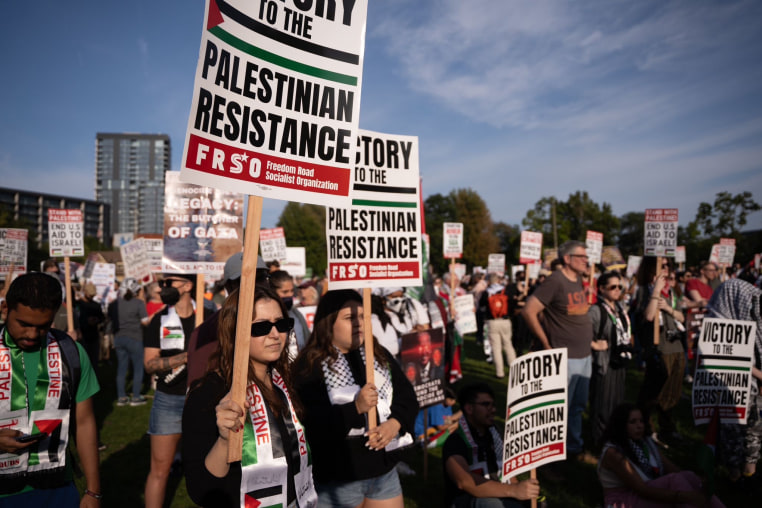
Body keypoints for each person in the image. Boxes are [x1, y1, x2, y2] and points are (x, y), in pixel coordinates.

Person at [183, 286, 317, 507]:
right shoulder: (208, 393)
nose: (275, 334)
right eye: (261, 327)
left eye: (281, 324)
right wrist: (225, 440)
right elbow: (200, 490)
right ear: (234, 332)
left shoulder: (286, 382)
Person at [293, 289, 417, 508]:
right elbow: (310, 425)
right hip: (337, 480)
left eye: (363, 316)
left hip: (384, 473)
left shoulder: (377, 354)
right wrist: (355, 408)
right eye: (350, 318)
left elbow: (407, 398)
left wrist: (394, 424)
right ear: (328, 322)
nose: (359, 323)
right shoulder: (308, 366)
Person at [0, 272, 101, 506]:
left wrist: (94, 491)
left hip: (56, 487)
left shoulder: (72, 353)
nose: (32, 334)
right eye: (24, 324)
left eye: (43, 326)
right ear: (5, 309)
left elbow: (84, 423)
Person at [522, 240, 594, 462]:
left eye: (586, 256)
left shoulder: (579, 279)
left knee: (577, 406)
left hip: (584, 355)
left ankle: (572, 448)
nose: (586, 260)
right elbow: (529, 311)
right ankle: (551, 458)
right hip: (565, 357)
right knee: (559, 410)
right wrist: (545, 343)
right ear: (567, 258)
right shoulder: (556, 280)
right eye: (581, 256)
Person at [143, 273, 210, 508]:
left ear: (188, 285)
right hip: (168, 400)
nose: (163, 287)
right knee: (159, 470)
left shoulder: (209, 318)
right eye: (162, 283)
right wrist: (188, 355)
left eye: (168, 282)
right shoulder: (159, 320)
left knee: (211, 467)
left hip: (204, 399)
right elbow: (150, 363)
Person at [597, 403, 725, 507]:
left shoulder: (644, 442)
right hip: (623, 500)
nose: (639, 426)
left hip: (647, 490)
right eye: (633, 422)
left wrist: (698, 481)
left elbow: (671, 468)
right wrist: (683, 496)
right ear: (621, 426)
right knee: (675, 481)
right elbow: (641, 489)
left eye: (641, 421)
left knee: (688, 476)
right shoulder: (613, 452)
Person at [443, 382, 540, 507]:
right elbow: (464, 481)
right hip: (468, 500)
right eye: (486, 405)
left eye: (493, 405)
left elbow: (508, 475)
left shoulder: (495, 435)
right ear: (469, 408)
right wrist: (514, 491)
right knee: (491, 503)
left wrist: (522, 492)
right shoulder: (455, 441)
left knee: (537, 502)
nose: (493, 410)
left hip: (501, 493)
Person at [705, 278, 762, 483]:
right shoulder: (719, 325)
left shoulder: (755, 315)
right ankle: (735, 475)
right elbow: (730, 358)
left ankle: (749, 472)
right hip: (732, 383)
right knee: (733, 427)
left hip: (755, 385)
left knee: (754, 428)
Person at [631, 259, 685, 445]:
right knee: (652, 393)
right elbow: (648, 316)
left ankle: (667, 427)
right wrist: (655, 292)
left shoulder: (671, 290)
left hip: (675, 346)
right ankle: (646, 427)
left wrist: (668, 308)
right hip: (658, 348)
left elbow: (681, 316)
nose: (666, 269)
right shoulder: (645, 290)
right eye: (661, 265)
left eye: (667, 265)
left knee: (671, 392)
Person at [588, 271, 633, 448]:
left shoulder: (620, 308)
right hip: (603, 364)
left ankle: (613, 439)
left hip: (619, 361)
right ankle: (600, 443)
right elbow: (583, 334)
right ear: (601, 289)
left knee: (616, 404)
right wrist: (594, 345)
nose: (617, 290)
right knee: (602, 406)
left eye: (619, 287)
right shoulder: (596, 310)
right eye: (612, 287)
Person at [114, 278, 148, 406]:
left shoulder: (115, 303)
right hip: (135, 338)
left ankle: (121, 397)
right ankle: (136, 397)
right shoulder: (139, 303)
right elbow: (145, 321)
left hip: (119, 338)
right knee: (138, 368)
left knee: (122, 368)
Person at [480, 273, 515, 379]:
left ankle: (500, 373)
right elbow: (512, 304)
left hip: (492, 321)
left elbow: (481, 306)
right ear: (498, 280)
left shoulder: (487, 292)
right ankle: (514, 370)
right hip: (505, 320)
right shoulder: (506, 291)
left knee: (496, 348)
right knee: (508, 345)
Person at [269, 270, 311, 357]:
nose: (290, 294)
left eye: (292, 291)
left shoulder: (296, 313)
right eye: (285, 292)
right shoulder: (268, 316)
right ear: (273, 292)